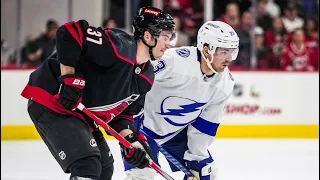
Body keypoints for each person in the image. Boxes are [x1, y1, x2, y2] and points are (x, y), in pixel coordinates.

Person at [20, 6, 176, 180]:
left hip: (81, 115)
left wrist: (133, 142)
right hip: (53, 101)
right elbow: (69, 32)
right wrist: (69, 77)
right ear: (148, 36)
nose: (168, 44)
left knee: (104, 169)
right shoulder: (119, 46)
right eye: (165, 37)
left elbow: (123, 114)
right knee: (87, 166)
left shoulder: (146, 77)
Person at [123, 21, 239, 180]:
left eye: (232, 52)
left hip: (175, 134)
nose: (228, 59)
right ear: (206, 50)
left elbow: (204, 127)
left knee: (207, 172)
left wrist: (196, 159)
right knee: (143, 174)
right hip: (142, 126)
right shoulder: (175, 61)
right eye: (223, 52)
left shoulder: (225, 84)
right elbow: (135, 77)